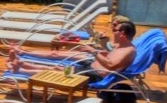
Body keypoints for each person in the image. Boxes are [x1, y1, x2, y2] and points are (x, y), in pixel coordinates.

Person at [7, 20, 137, 82]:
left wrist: (93, 51)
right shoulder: (120, 46)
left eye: (115, 31)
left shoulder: (129, 51)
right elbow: (108, 56)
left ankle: (21, 70)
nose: (112, 32)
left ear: (123, 34)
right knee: (59, 67)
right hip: (90, 66)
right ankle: (23, 64)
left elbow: (111, 65)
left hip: (94, 74)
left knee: (56, 71)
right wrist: (96, 49)